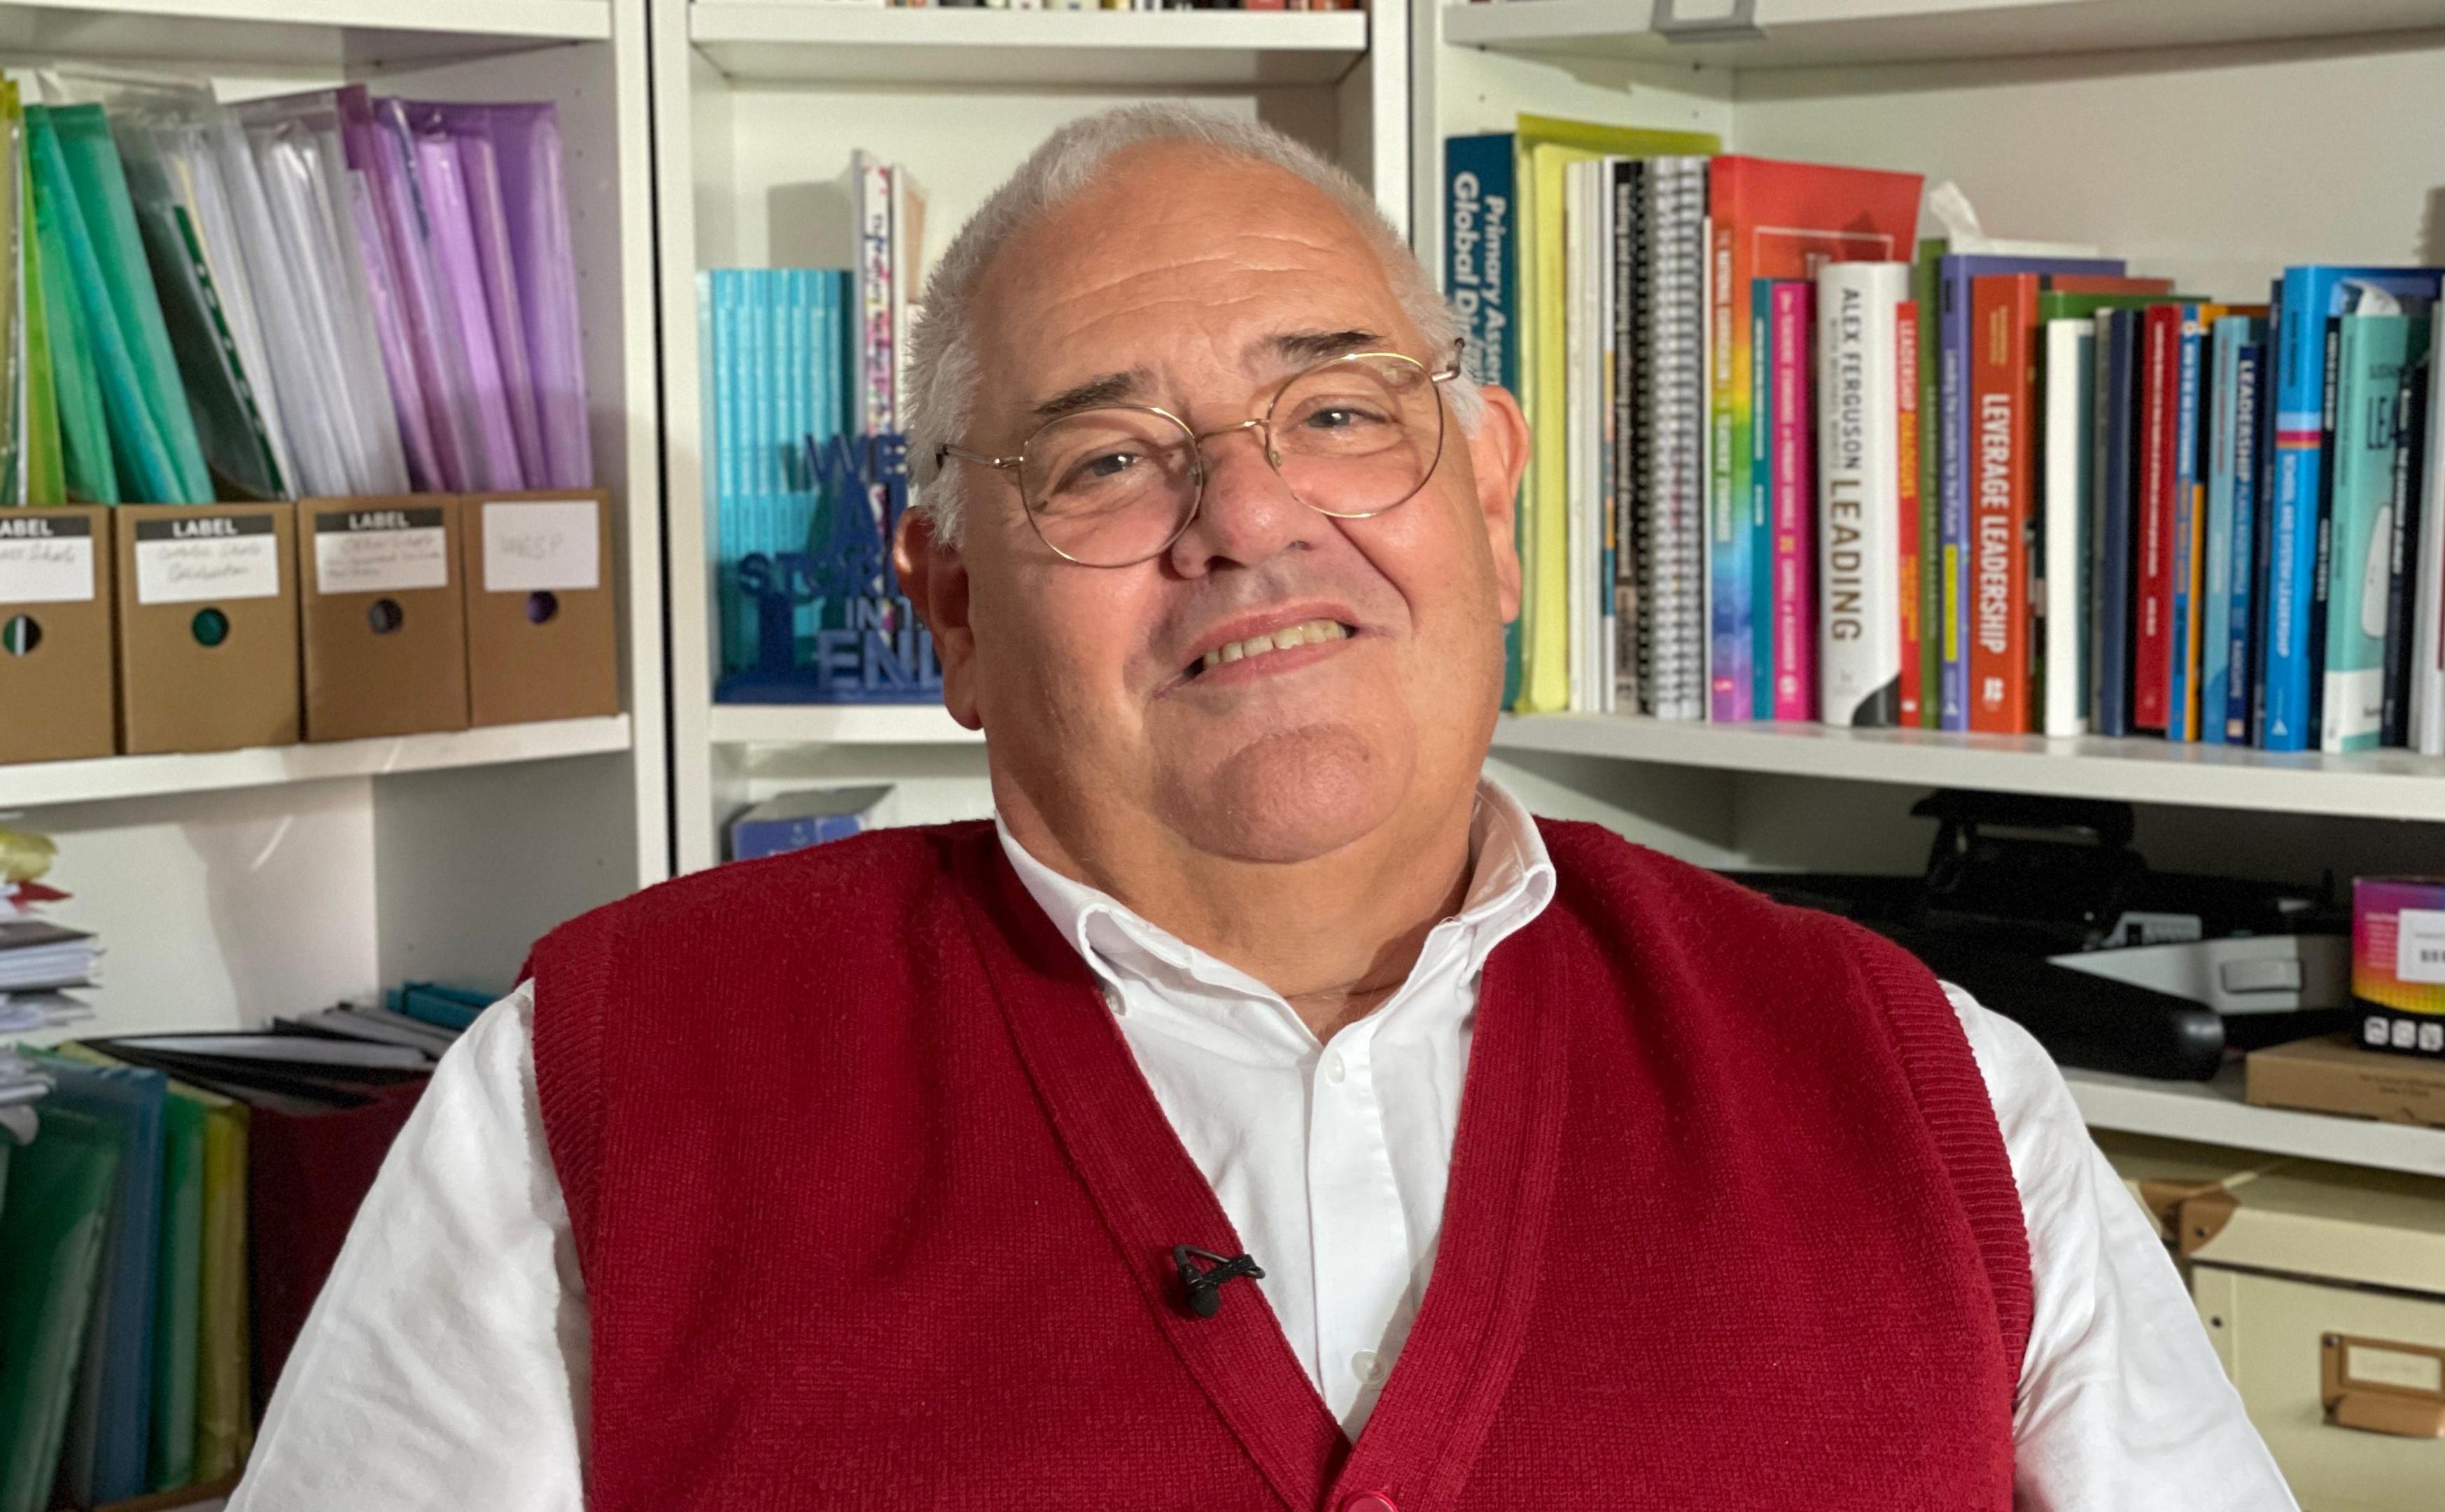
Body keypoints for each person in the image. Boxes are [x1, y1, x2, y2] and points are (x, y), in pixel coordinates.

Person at [231, 106, 2295, 1511]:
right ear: (948, 606)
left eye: (1333, 414)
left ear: (1488, 505)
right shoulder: (598, 1085)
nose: (1247, 520)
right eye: (1107, 460)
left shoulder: (1932, 1090)